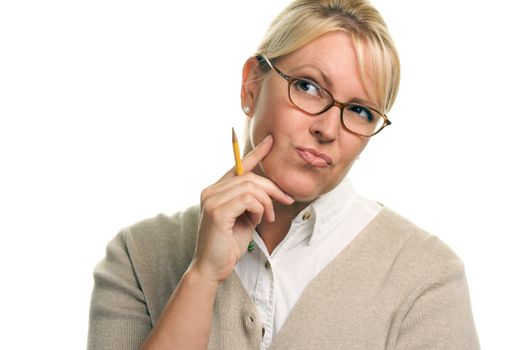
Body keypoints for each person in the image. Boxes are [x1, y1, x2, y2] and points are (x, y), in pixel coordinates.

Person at [88, 0, 480, 349]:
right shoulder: (137, 256)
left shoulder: (426, 276)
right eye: (308, 87)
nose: (328, 129)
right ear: (251, 86)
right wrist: (203, 277)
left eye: (360, 111)